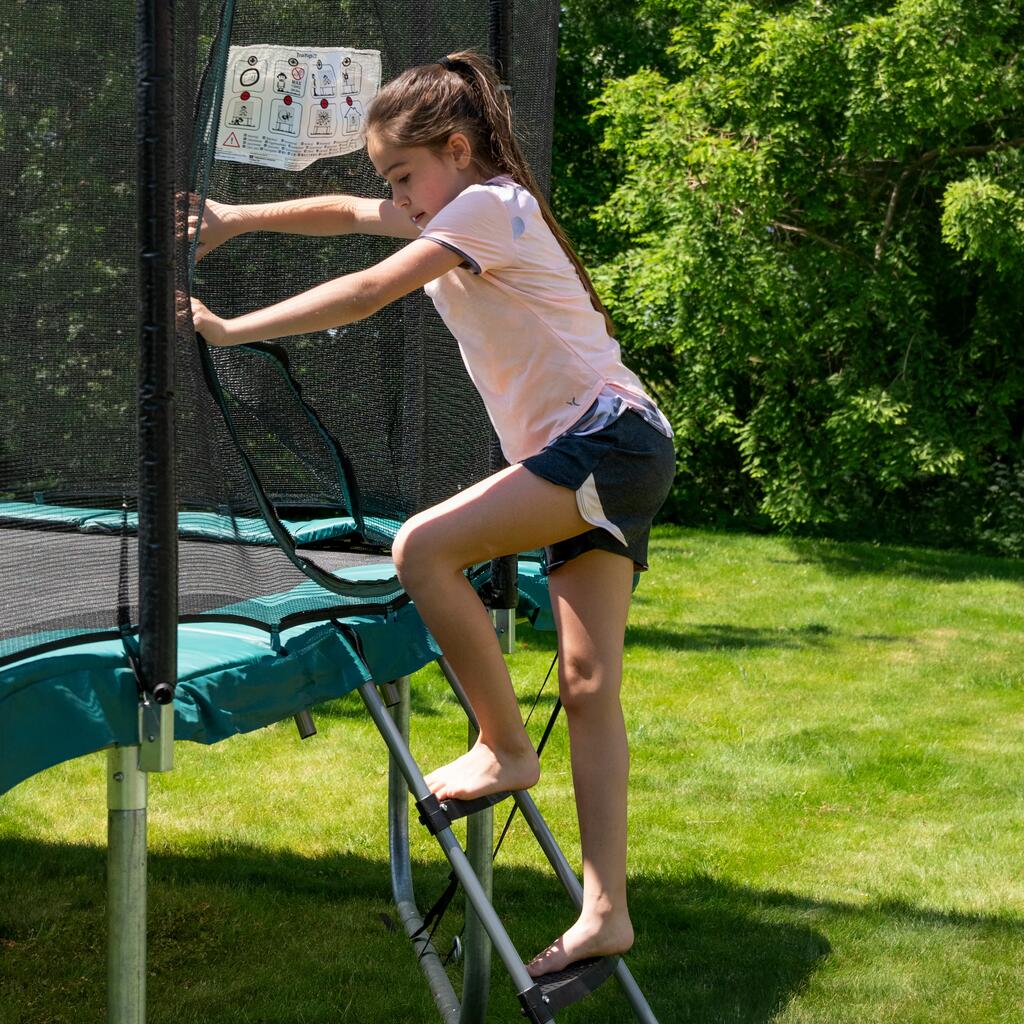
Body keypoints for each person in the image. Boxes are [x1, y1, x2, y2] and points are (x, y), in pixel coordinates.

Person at [190, 51, 675, 978]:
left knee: (424, 550)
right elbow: (347, 216)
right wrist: (236, 220)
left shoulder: (487, 209)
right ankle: (606, 911)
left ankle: (501, 746)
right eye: (391, 184)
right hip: (616, 449)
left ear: (457, 149)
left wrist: (229, 329)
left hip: (603, 444)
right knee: (586, 685)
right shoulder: (453, 207)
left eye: (406, 176)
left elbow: (374, 289)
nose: (398, 200)